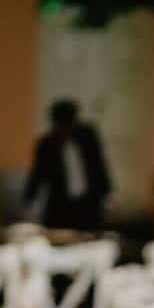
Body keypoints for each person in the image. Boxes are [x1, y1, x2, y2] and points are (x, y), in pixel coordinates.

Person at [25, 98, 112, 232]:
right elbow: (38, 173)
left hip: (89, 203)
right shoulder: (46, 144)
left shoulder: (88, 136)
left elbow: (99, 165)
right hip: (60, 205)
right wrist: (29, 201)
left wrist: (107, 193)